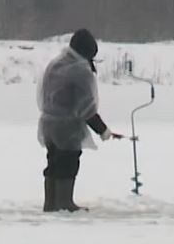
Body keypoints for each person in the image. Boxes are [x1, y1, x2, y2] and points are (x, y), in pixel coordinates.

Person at [37, 28, 124, 212]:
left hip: (48, 125)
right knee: (68, 163)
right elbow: (86, 108)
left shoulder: (56, 63)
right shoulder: (80, 71)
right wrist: (103, 130)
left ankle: (51, 204)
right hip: (66, 128)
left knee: (53, 161)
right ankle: (65, 203)